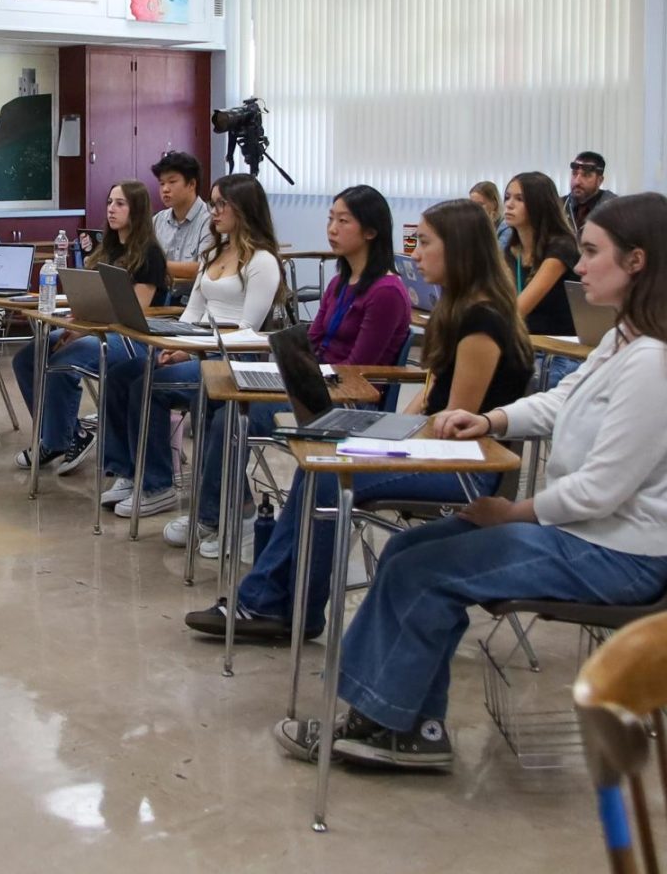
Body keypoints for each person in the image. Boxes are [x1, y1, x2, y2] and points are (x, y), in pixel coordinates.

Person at [278, 193, 667, 772]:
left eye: (590, 253)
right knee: (409, 547)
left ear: (636, 262)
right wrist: (491, 419)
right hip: (587, 536)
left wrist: (509, 514)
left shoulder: (652, 363)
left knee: (423, 568)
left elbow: (599, 492)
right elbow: (562, 400)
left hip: (616, 553)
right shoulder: (621, 339)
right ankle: (404, 720)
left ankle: (391, 723)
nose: (577, 267)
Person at [188, 198, 534, 643]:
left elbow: (452, 426)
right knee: (322, 464)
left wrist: (386, 437)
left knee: (330, 475)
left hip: (466, 467)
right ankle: (277, 601)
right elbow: (429, 400)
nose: (415, 255)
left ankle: (274, 603)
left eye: (426, 244)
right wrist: (388, 427)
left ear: (460, 250)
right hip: (434, 446)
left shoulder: (482, 324)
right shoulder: (461, 310)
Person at [165, 185, 410, 557]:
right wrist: (285, 367)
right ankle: (235, 512)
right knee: (219, 398)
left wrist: (296, 375)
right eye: (330, 218)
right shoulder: (340, 283)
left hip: (348, 401)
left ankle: (214, 517)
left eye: (343, 221)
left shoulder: (387, 291)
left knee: (230, 417)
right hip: (313, 386)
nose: (332, 228)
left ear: (371, 231)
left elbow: (357, 369)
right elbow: (311, 341)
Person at [100, 173, 283, 519]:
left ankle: (157, 485)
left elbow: (248, 330)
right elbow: (192, 312)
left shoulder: (262, 261)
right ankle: (127, 470)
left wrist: (191, 349)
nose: (213, 212)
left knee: (146, 385)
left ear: (244, 209)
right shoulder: (214, 253)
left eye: (221, 205)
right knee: (124, 372)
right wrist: (172, 343)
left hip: (230, 357)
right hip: (197, 344)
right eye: (213, 204)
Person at [11, 181, 168, 474]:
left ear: (138, 210)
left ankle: (58, 440)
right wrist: (76, 322)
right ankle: (68, 436)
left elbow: (135, 312)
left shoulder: (149, 254)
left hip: (130, 337)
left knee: (63, 361)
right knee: (26, 358)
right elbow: (90, 299)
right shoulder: (105, 249)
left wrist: (82, 330)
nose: (111, 208)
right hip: (94, 327)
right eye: (110, 201)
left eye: (121, 203)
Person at [503, 170, 579, 386]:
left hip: (558, 354)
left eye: (519, 199)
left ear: (539, 205)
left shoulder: (561, 247)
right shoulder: (512, 249)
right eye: (507, 197)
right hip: (526, 347)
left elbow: (520, 308)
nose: (509, 205)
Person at [150, 151, 209, 298]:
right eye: (162, 183)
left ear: (191, 184)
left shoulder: (210, 221)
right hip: (159, 297)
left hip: (195, 302)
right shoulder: (158, 220)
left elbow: (204, 268)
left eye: (172, 182)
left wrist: (155, 266)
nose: (165, 189)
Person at [563, 150, 616, 241]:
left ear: (600, 180)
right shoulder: (560, 205)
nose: (577, 181)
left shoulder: (612, 208)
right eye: (574, 174)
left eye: (586, 175)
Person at [469, 180, 511, 249]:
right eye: (472, 204)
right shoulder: (474, 224)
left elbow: (496, 254)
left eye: (480, 204)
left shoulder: (507, 227)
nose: (474, 209)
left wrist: (488, 228)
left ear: (494, 204)